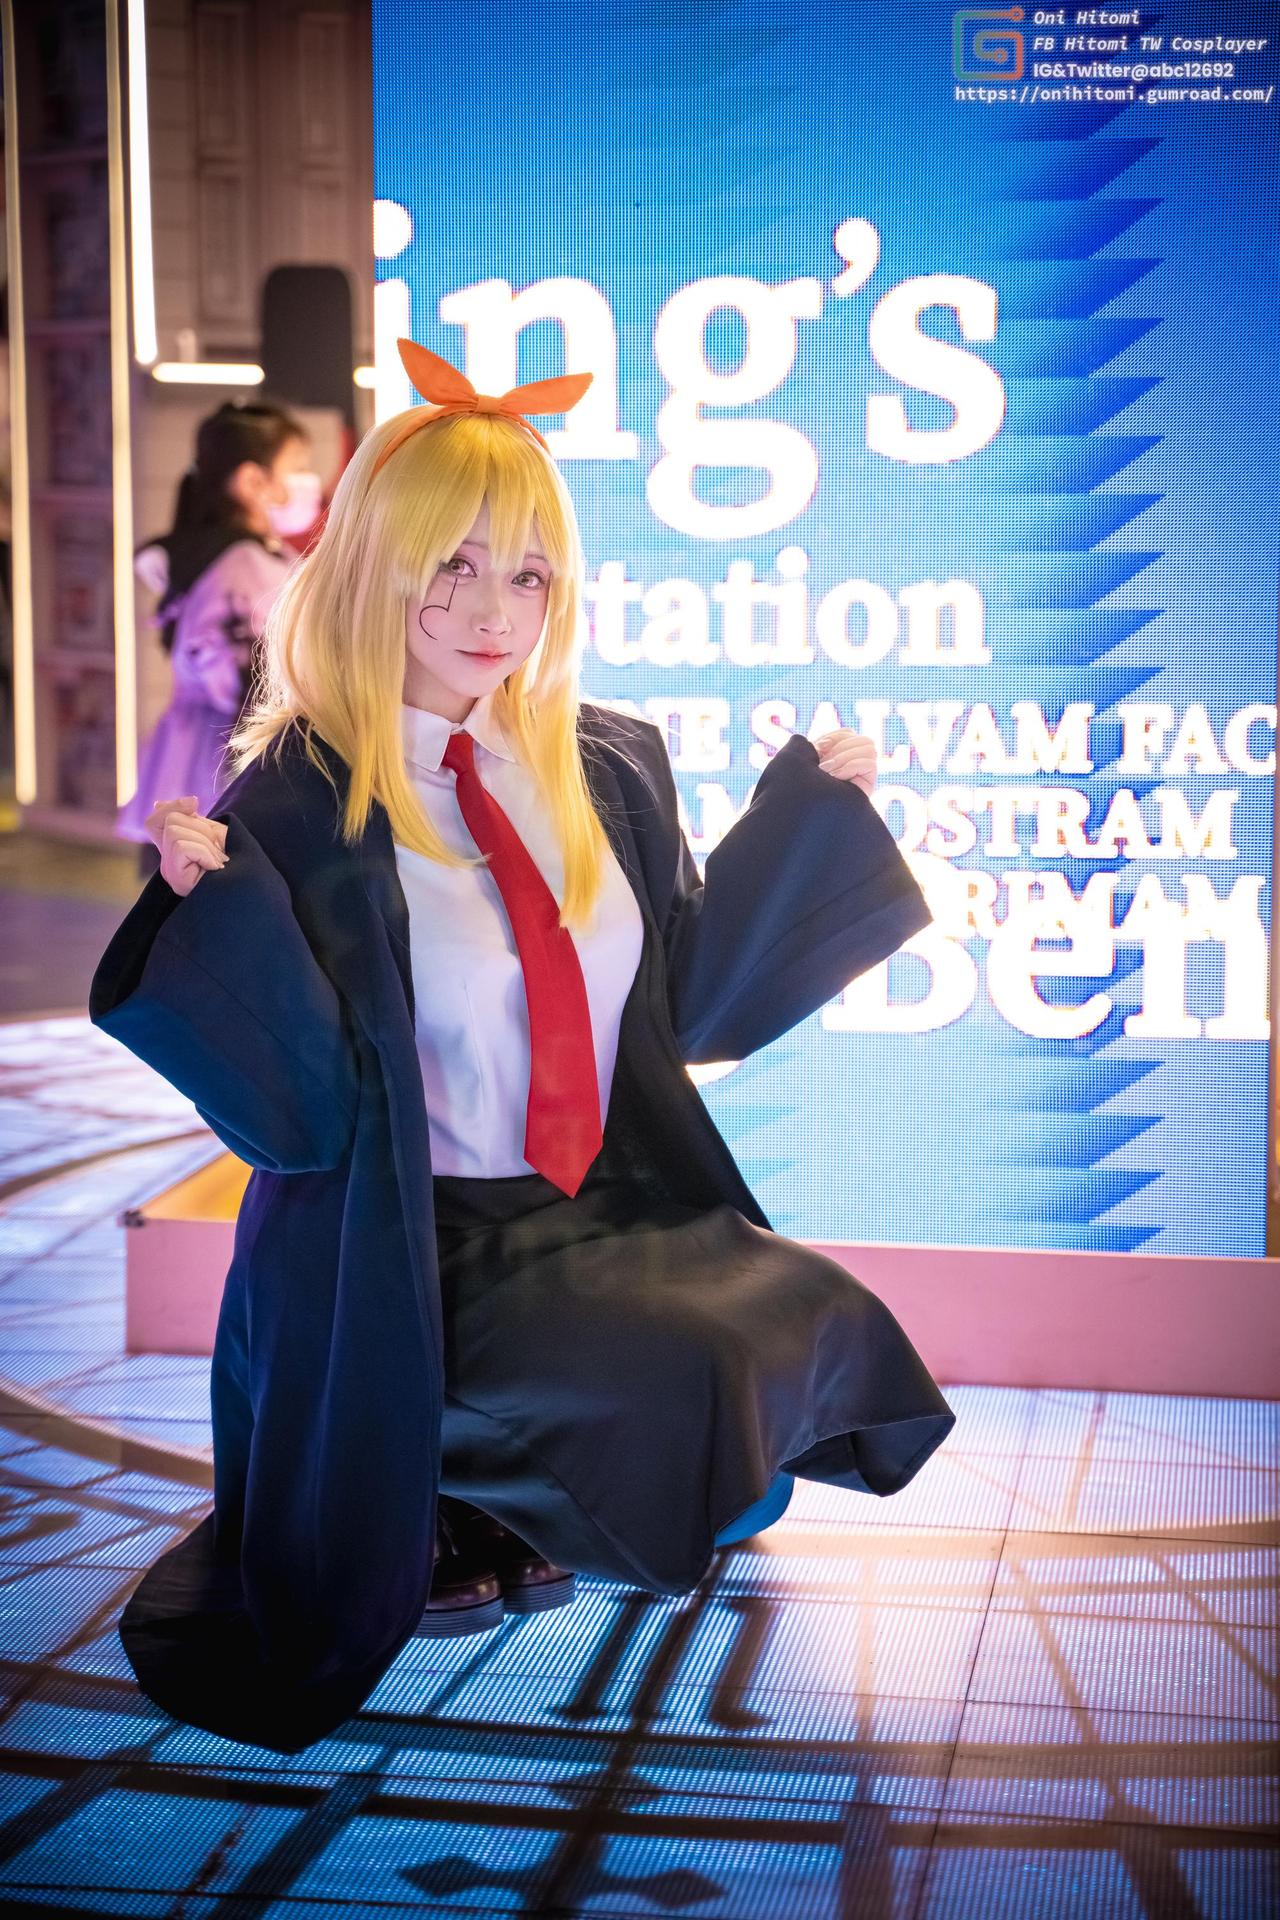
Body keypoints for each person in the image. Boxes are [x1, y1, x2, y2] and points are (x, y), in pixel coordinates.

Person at [88, 340, 955, 1754]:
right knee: (680, 1365)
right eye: (454, 566)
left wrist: (808, 825)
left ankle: (501, 1494)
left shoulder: (603, 762)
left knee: (809, 1316)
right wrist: (213, 919)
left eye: (531, 574)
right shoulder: (300, 800)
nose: (494, 612)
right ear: (375, 564)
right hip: (404, 1243)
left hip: (594, 1206)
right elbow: (297, 1115)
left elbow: (684, 996)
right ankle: (444, 1485)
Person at [121, 399, 318, 878]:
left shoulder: (227, 554)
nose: (309, 482)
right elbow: (248, 685)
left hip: (197, 756)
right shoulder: (243, 566)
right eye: (297, 468)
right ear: (252, 481)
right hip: (225, 765)